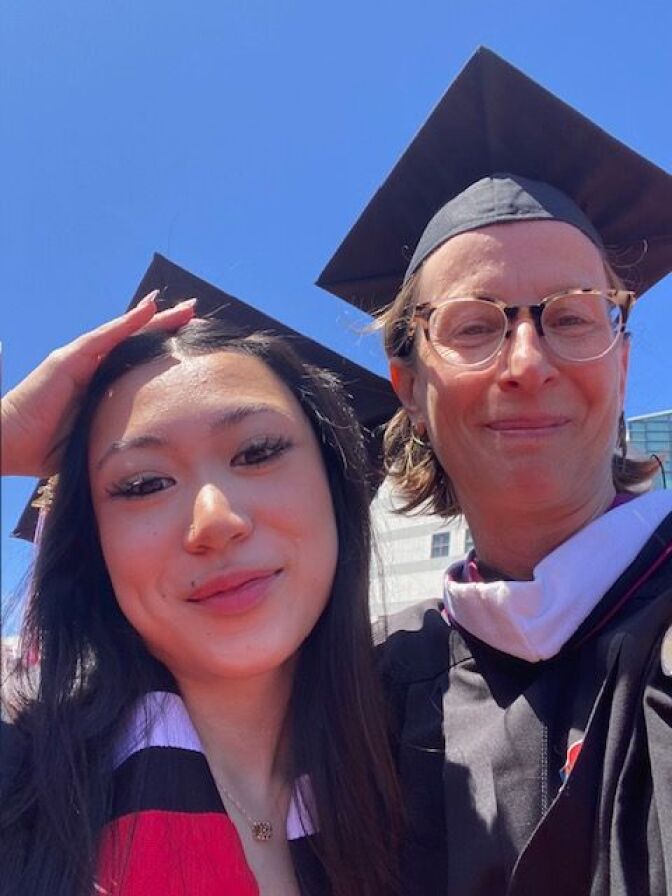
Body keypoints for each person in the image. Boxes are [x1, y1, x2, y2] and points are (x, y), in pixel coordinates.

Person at [317, 49, 672, 895]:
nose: (527, 361)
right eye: (475, 326)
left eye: (573, 317)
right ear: (410, 386)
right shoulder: (363, 686)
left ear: (621, 364)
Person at [0, 296, 402, 896]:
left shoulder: (433, 762)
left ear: (335, 483)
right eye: (143, 484)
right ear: (95, 545)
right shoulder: (22, 787)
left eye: (259, 452)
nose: (214, 519)